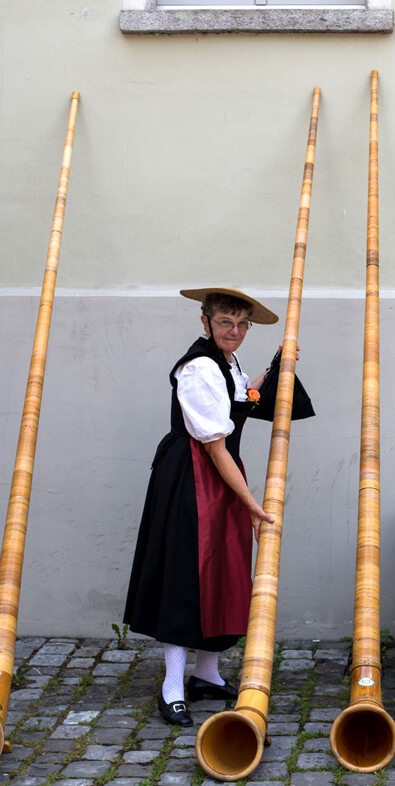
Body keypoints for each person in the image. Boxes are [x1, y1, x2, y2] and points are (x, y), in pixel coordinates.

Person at [122, 287, 278, 727]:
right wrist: (251, 504)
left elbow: (240, 399)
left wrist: (273, 370)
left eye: (242, 324)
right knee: (186, 574)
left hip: (222, 472)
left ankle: (206, 674)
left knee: (224, 571)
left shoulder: (227, 362)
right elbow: (212, 442)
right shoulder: (197, 369)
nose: (235, 331)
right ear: (206, 322)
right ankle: (172, 685)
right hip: (192, 476)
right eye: (226, 322)